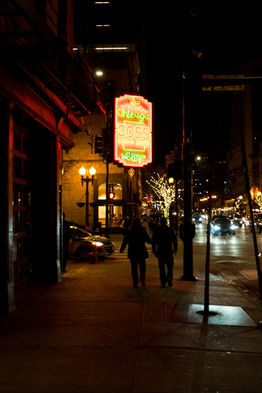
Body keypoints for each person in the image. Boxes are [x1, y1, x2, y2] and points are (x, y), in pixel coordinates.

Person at [120, 218, 152, 288]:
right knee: (142, 267)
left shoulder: (130, 231)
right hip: (141, 250)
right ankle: (142, 279)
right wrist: (152, 242)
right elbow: (148, 240)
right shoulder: (142, 231)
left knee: (134, 267)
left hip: (133, 251)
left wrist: (122, 249)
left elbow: (125, 241)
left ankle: (135, 281)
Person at [152, 217, 177, 288]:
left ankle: (163, 281)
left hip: (160, 251)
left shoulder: (157, 231)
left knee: (162, 267)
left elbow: (154, 242)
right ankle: (169, 279)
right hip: (168, 251)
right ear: (166, 222)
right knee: (170, 267)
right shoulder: (170, 230)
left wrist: (154, 251)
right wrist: (175, 249)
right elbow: (174, 240)